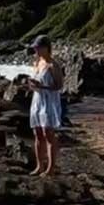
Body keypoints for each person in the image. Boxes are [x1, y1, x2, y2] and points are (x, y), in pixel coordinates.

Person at [24, 35, 64, 176]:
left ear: (46, 48)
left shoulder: (53, 65)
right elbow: (35, 83)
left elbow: (59, 86)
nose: (36, 50)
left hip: (49, 101)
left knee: (49, 134)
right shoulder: (37, 63)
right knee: (37, 133)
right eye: (35, 48)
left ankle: (50, 168)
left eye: (38, 48)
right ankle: (39, 166)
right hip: (37, 99)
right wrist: (30, 86)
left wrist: (43, 86)